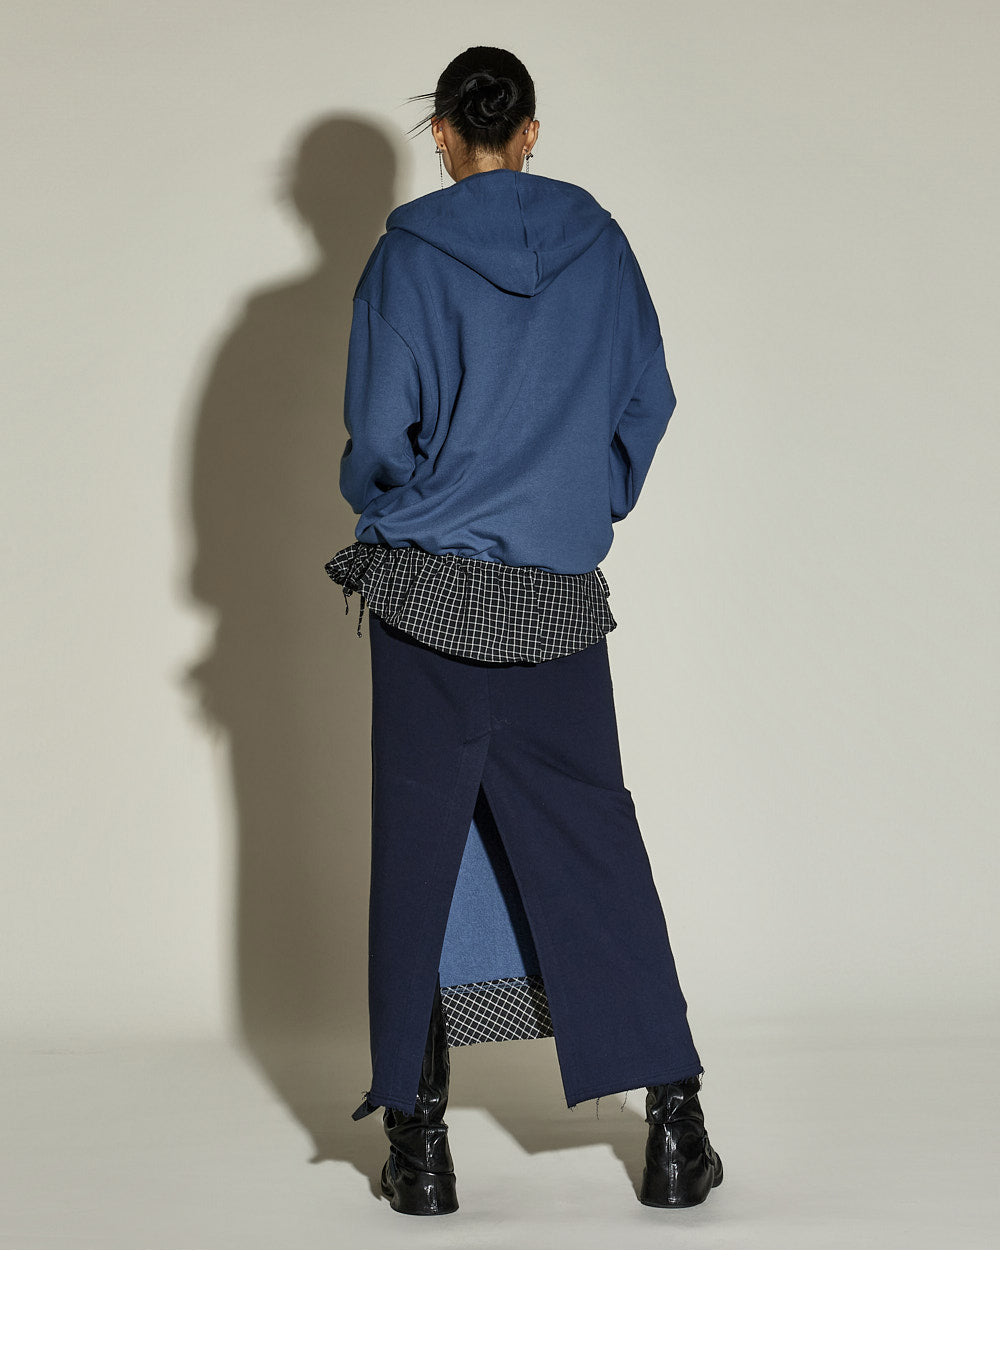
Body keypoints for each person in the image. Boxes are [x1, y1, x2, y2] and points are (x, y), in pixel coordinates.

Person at [324, 46, 723, 1216]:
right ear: (530, 133)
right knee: (596, 849)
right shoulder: (602, 246)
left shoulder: (406, 258)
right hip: (555, 598)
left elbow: (378, 432)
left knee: (419, 854)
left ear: (444, 136)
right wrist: (579, 497)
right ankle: (676, 1130)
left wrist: (401, 501)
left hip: (426, 596)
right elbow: (647, 398)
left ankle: (420, 1153)